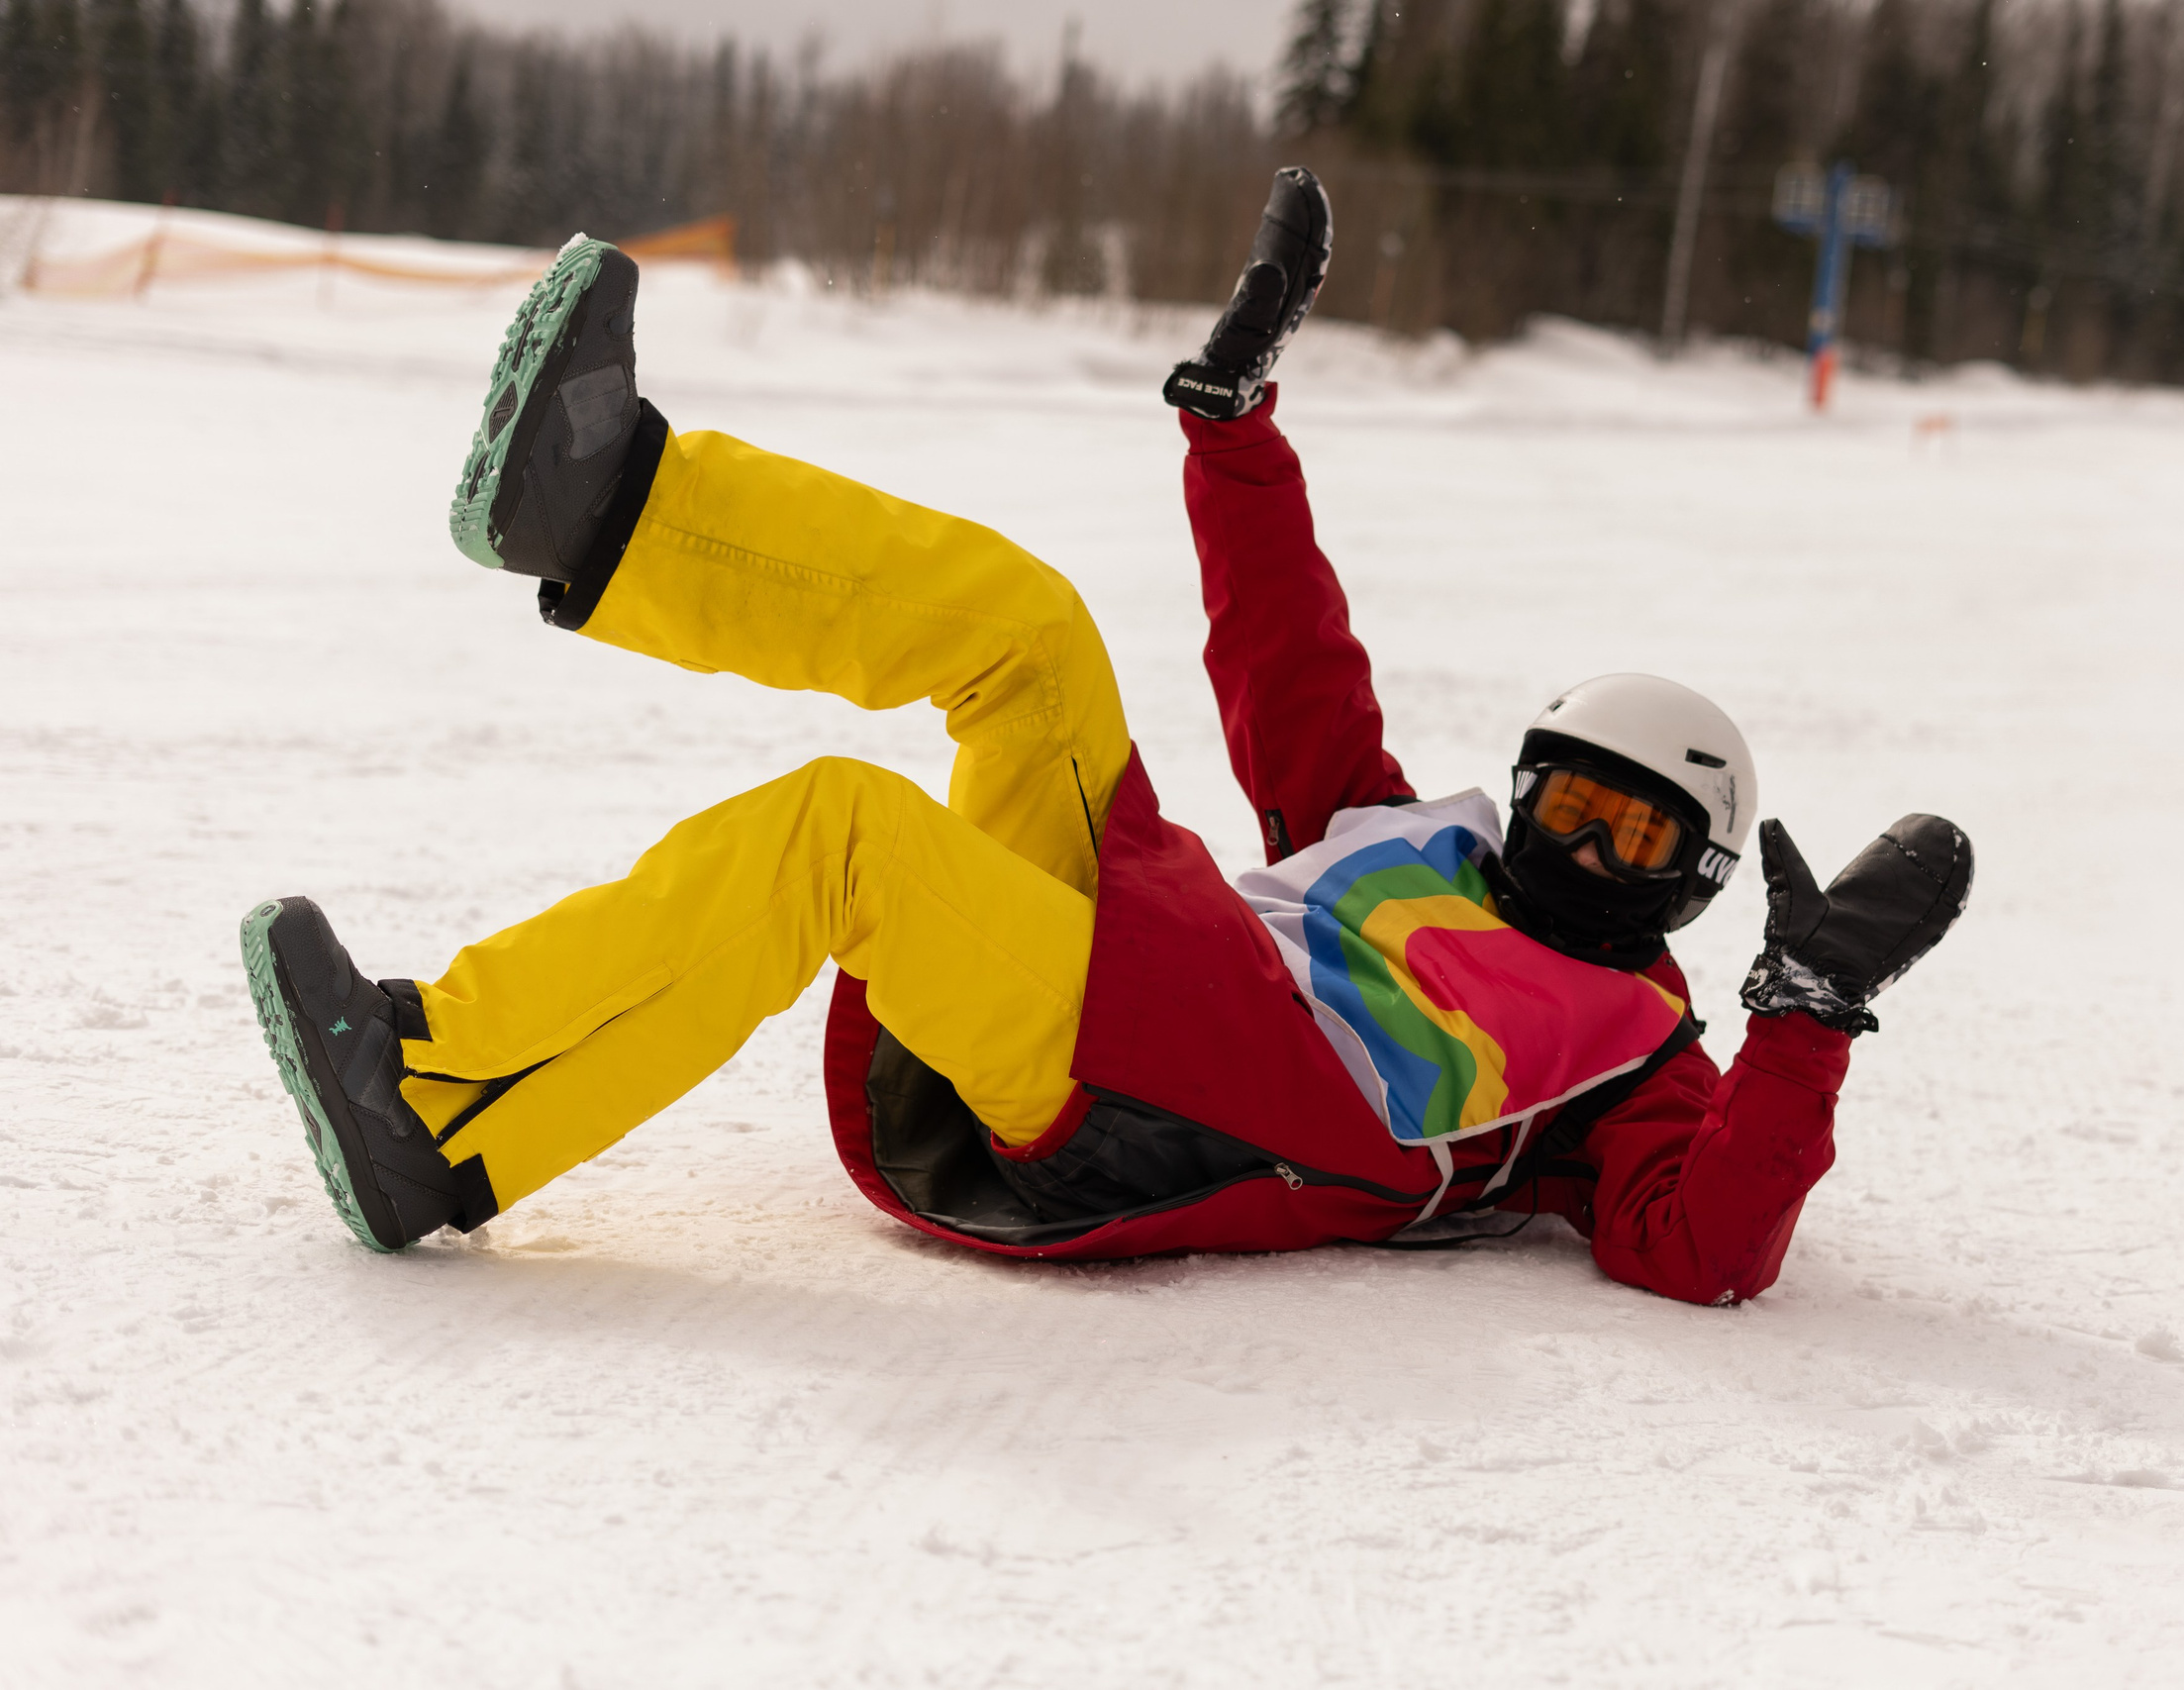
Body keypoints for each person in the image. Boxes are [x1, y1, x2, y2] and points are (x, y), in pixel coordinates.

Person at [242, 169, 1973, 1306]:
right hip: (1117, 957)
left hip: (1150, 1093)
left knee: (840, 833)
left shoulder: (1637, 1065)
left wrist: (1805, 1018)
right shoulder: (1407, 837)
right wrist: (1235, 431)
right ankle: (603, 510)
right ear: (1525, 787)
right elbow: (1293, 658)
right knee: (1028, 632)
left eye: (1644, 841)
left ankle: (442, 1096)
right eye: (1581, 803)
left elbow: (1712, 1242)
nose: (1593, 851)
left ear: (1696, 891)